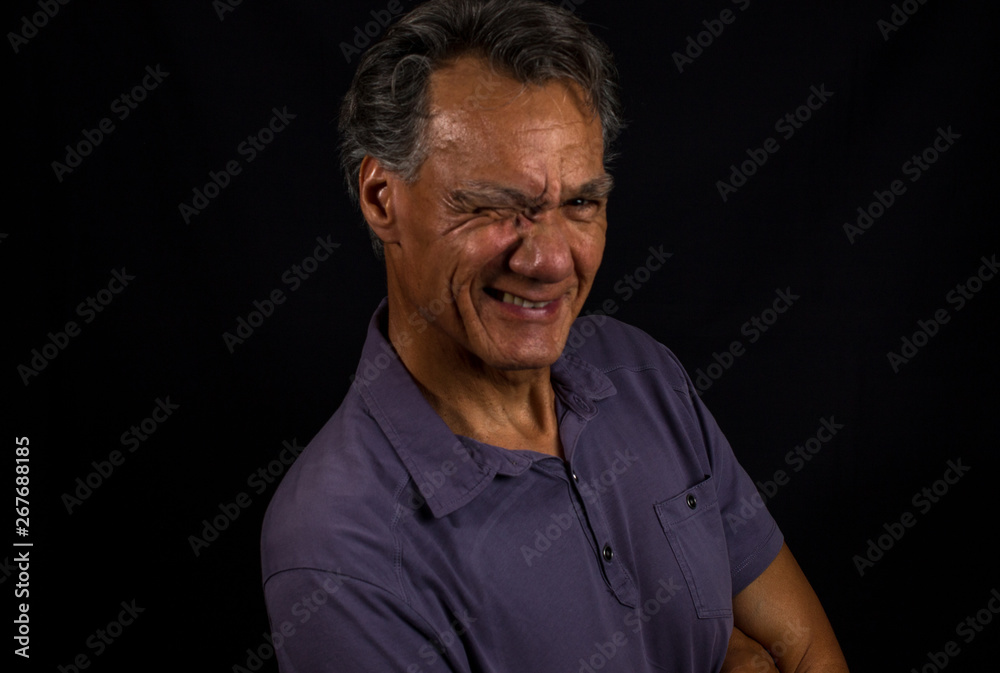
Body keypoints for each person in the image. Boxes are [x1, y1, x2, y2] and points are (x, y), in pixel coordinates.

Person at [261, 1, 850, 671]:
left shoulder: (641, 371)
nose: (548, 260)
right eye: (490, 203)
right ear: (380, 197)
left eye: (579, 203)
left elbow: (803, 649)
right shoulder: (341, 544)